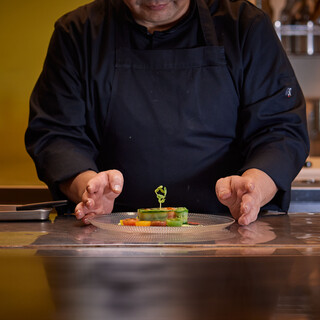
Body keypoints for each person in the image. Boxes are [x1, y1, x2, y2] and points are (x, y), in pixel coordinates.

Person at [25, 0, 309, 226]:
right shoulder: (77, 33)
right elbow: (56, 134)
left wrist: (255, 188)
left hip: (231, 231)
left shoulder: (245, 27)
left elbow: (280, 130)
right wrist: (88, 189)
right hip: (108, 236)